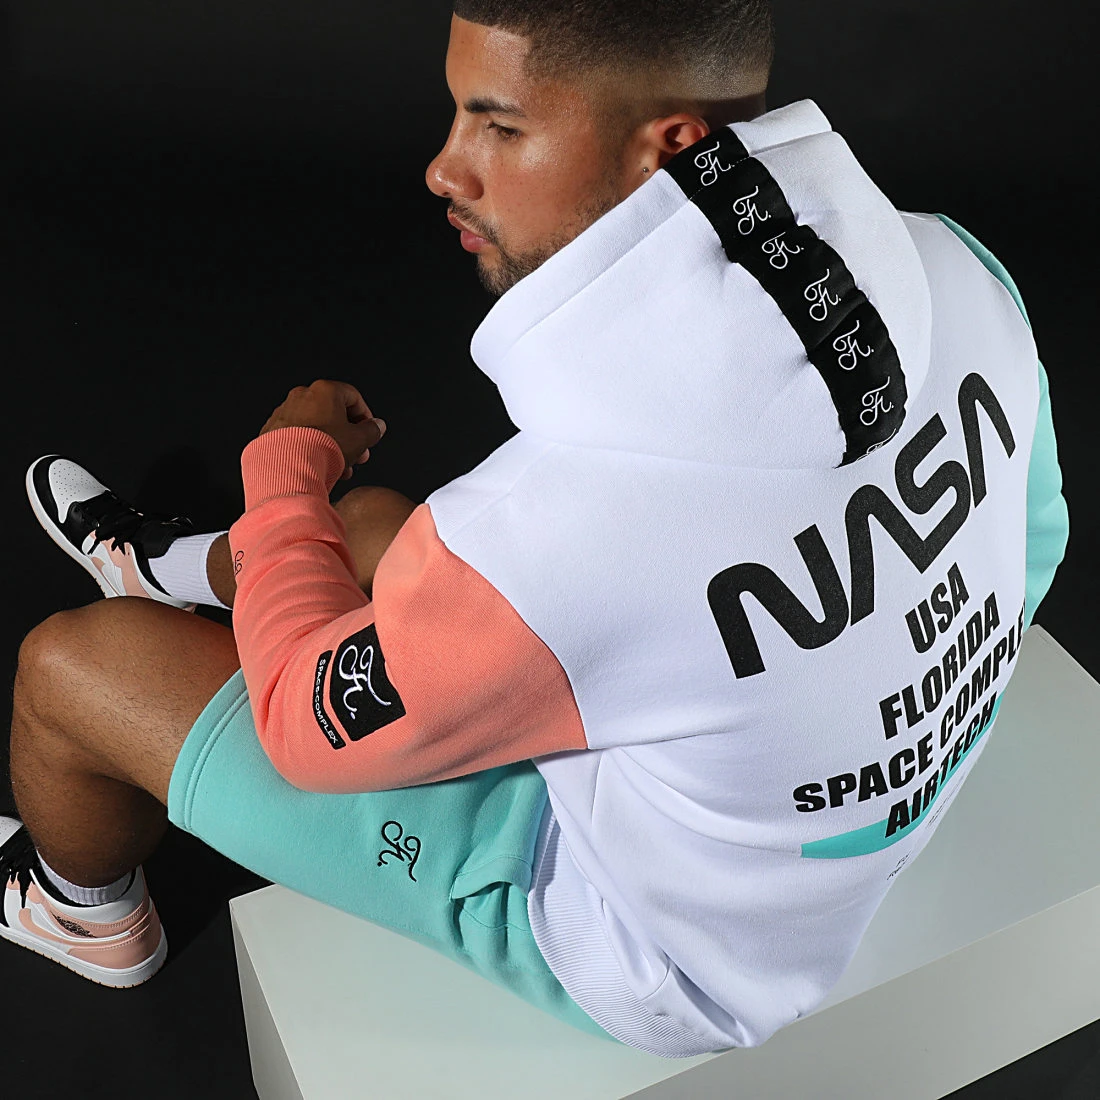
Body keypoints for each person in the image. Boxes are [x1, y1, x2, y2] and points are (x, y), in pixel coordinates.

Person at [0, 0, 1070, 1058]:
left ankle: (81, 913)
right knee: (368, 530)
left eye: (499, 127)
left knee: (70, 671)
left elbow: (297, 722)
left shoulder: (550, 531)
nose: (444, 168)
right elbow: (1036, 542)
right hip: (832, 814)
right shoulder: (954, 265)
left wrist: (284, 465)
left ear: (670, 147)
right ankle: (169, 569)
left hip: (660, 957)